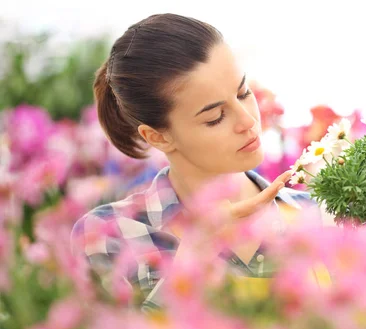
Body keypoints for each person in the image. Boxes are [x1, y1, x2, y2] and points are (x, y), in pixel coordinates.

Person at [70, 13, 316, 313]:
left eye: (244, 93)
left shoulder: (313, 215)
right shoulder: (108, 235)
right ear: (158, 137)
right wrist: (195, 252)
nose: (248, 121)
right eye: (215, 117)